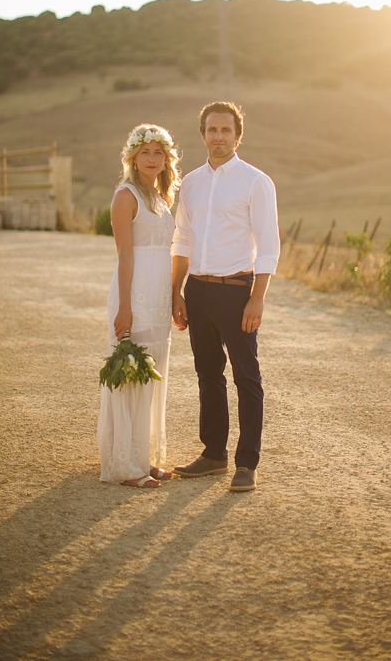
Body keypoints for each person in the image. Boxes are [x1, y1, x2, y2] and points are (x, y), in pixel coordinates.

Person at [171, 102, 280, 492]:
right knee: (207, 375)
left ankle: (246, 463)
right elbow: (182, 239)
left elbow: (269, 246)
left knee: (246, 378)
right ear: (202, 134)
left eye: (226, 130)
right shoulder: (192, 184)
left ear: (238, 135)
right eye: (212, 129)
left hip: (237, 292)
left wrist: (258, 298)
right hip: (197, 291)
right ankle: (213, 454)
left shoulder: (256, 182)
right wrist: (176, 292)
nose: (218, 136)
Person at [97, 124, 181, 489]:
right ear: (133, 156)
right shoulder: (126, 195)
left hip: (160, 295)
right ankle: (125, 467)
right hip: (135, 294)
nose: (152, 159)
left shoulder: (161, 197)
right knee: (132, 373)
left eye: (158, 153)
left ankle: (142, 458)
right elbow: (125, 256)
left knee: (152, 372)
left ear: (166, 159)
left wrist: (177, 295)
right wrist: (125, 308)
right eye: (145, 152)